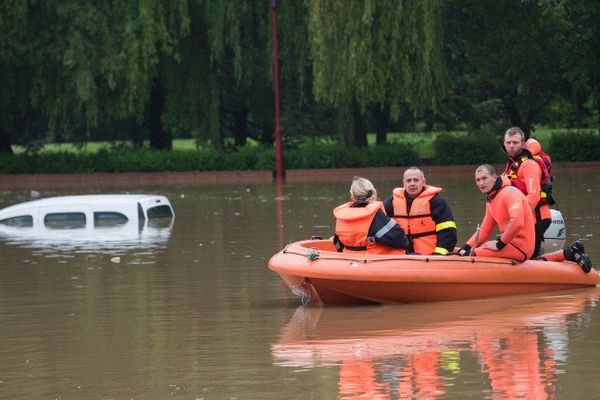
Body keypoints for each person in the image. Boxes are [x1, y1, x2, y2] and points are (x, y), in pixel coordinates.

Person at [457, 164, 535, 261]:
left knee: (470, 254)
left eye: (484, 178)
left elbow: (517, 222)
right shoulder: (491, 199)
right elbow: (484, 231)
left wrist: (499, 244)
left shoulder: (509, 193)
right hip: (507, 244)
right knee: (463, 252)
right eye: (478, 180)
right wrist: (466, 247)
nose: (481, 183)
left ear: (494, 177)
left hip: (521, 248)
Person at [502, 127, 553, 258]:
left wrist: (518, 216)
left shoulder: (528, 165)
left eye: (515, 142)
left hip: (538, 217)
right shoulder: (513, 164)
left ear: (523, 144)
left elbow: (534, 196)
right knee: (528, 256)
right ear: (504, 143)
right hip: (525, 218)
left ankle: (568, 254)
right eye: (508, 143)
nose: (511, 146)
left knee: (528, 257)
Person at [383, 167, 457, 255]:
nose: (412, 183)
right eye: (408, 180)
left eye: (416, 180)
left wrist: (438, 255)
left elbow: (448, 231)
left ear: (423, 182)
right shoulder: (392, 202)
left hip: (430, 256)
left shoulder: (436, 201)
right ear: (404, 183)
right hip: (402, 256)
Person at [333, 176, 409, 254]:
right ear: (372, 192)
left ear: (352, 194)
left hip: (348, 260)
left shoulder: (341, 216)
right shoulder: (375, 215)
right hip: (372, 261)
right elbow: (401, 240)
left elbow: (337, 244)